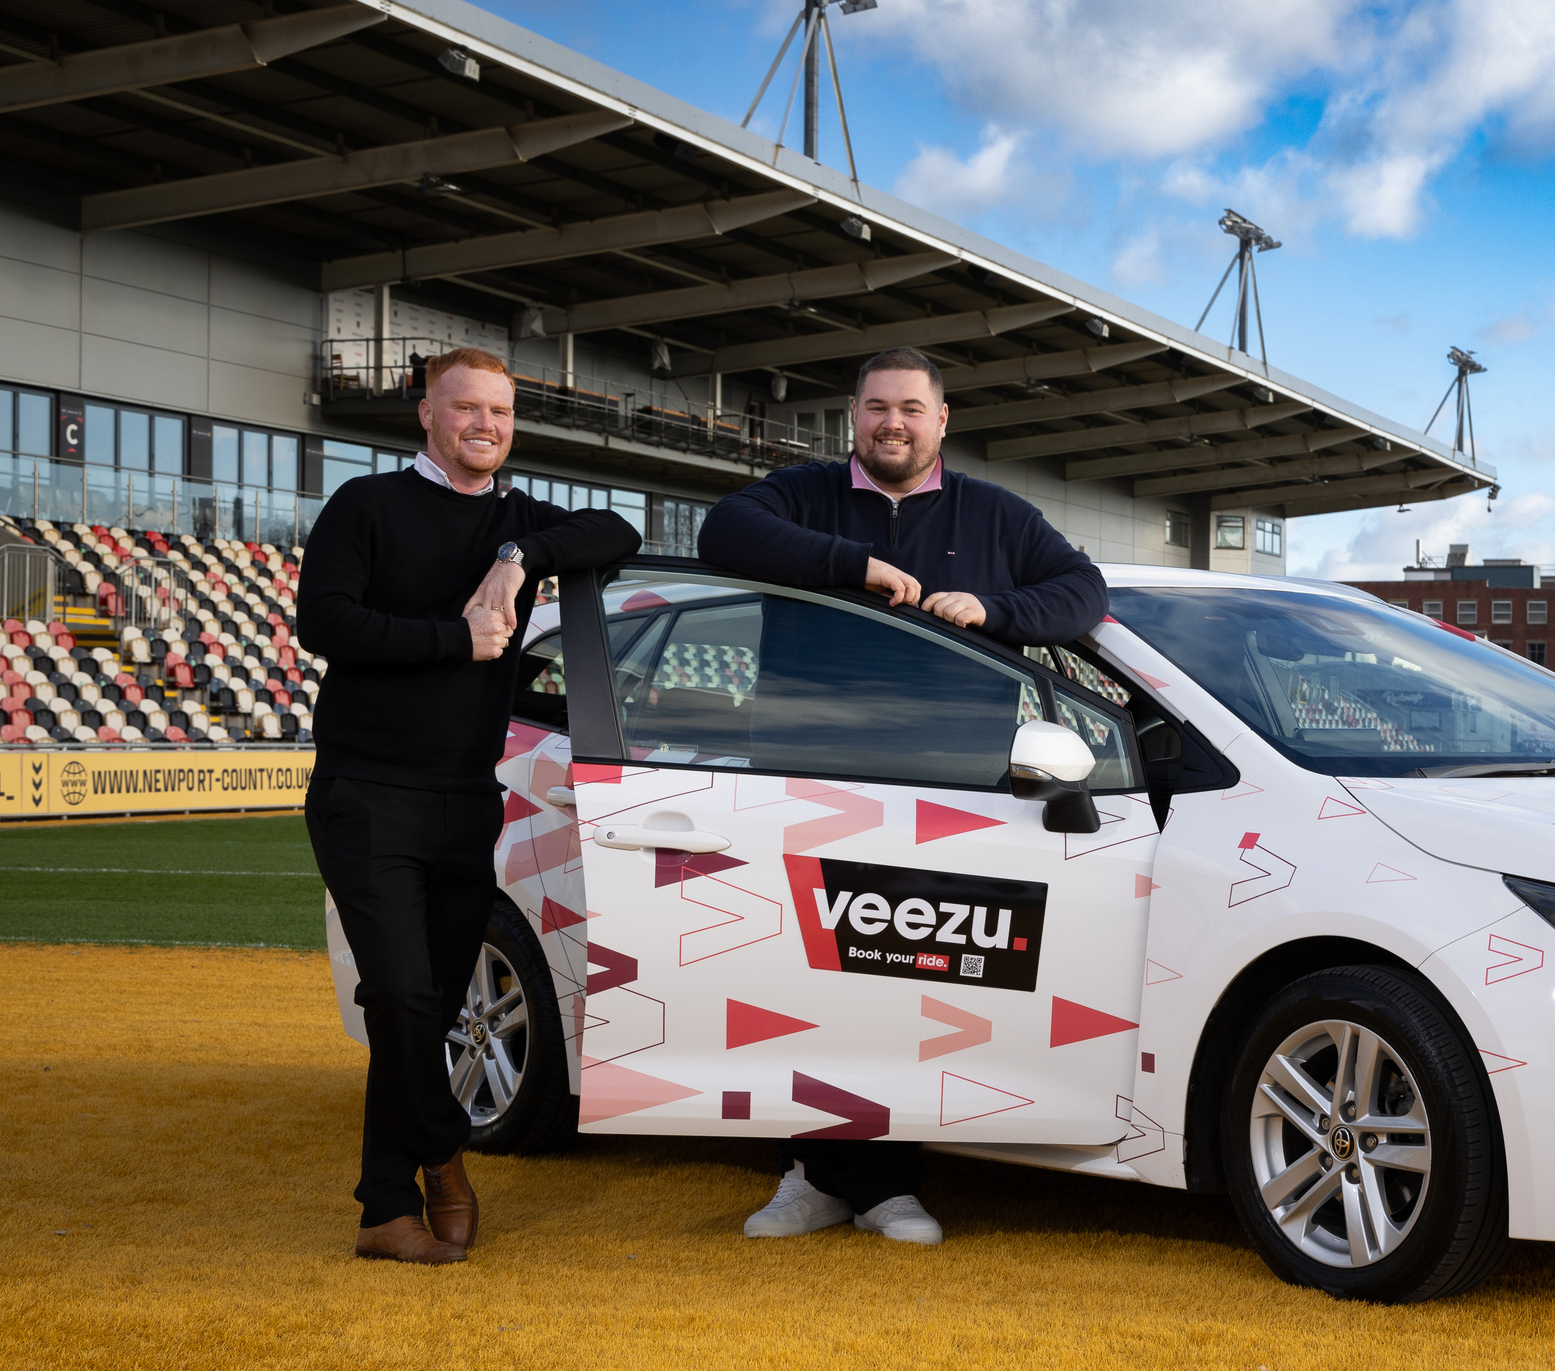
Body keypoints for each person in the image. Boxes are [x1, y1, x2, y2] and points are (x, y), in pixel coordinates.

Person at [698, 345, 1107, 1247]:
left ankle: (882, 1182)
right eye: (878, 407)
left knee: (911, 987)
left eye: (911, 409)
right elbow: (719, 534)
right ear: (854, 415)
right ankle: (814, 1177)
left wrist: (995, 613)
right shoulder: (800, 495)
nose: (893, 423)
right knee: (804, 979)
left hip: (946, 790)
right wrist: (856, 565)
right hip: (806, 779)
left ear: (942, 420)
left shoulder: (997, 515)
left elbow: (1083, 591)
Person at [298, 346, 641, 1265]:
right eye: (465, 409)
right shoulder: (365, 506)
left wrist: (520, 555)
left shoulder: (517, 520)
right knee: (403, 992)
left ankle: (382, 1206)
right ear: (426, 414)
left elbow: (617, 532)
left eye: (499, 411)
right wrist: (458, 637)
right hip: (366, 793)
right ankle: (444, 1152)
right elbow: (322, 622)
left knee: (429, 1005)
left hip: (467, 799)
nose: (484, 425)